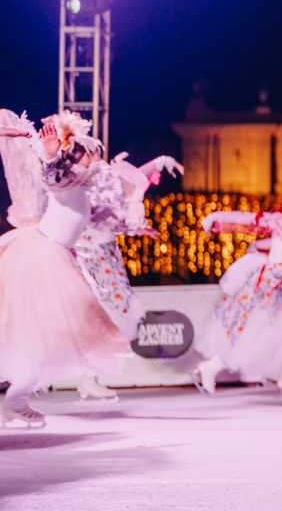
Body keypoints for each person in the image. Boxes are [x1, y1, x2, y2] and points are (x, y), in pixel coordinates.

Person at [0, 110, 129, 427]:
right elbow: (51, 172)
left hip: (56, 255)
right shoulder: (61, 176)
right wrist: (49, 152)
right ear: (74, 158)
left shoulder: (83, 182)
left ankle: (17, 398)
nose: (96, 157)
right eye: (88, 153)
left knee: (42, 338)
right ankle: (16, 399)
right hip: (41, 257)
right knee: (43, 334)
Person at [194, 160, 282, 395]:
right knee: (255, 327)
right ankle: (212, 366)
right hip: (272, 282)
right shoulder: (280, 219)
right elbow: (246, 219)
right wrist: (215, 217)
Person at [72, 151, 183, 401]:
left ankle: (89, 377)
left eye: (94, 151)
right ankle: (87, 377)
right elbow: (107, 215)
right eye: (85, 153)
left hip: (105, 250)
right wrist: (133, 226)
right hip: (92, 252)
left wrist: (160, 161)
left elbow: (129, 183)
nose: (93, 155)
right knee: (109, 308)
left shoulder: (105, 176)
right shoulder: (81, 181)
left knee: (115, 309)